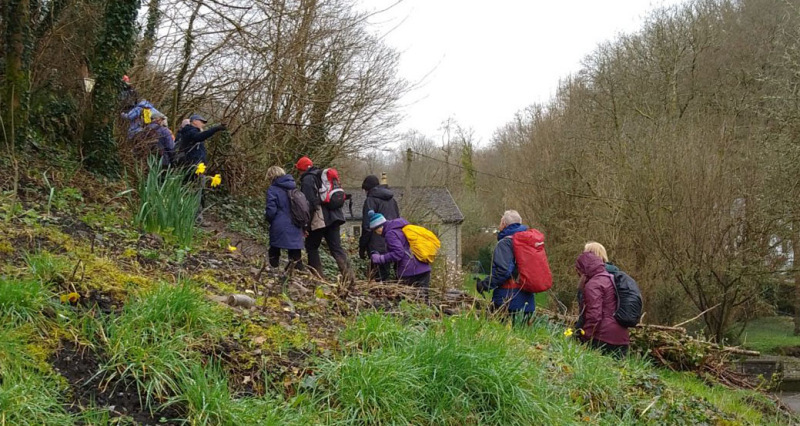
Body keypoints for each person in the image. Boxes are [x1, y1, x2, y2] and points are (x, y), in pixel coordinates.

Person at [296, 156, 353, 281]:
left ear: (302, 169)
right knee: (337, 248)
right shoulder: (323, 177)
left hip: (320, 219)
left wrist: (305, 225)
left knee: (311, 246)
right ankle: (349, 278)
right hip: (336, 217)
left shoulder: (307, 179)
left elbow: (309, 204)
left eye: (299, 170)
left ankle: (317, 278)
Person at [476, 210, 536, 321]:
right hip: (528, 299)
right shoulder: (528, 241)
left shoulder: (505, 243)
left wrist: (484, 284)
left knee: (496, 333)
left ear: (504, 224)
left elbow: (503, 271)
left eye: (500, 223)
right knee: (521, 336)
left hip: (508, 299)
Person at [575, 250, 630, 358]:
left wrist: (585, 336)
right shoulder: (611, 278)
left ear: (583, 269)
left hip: (604, 338)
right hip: (622, 338)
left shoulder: (593, 285)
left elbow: (594, 315)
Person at [368, 211, 431, 293]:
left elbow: (398, 253)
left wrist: (380, 258)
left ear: (379, 228)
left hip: (410, 271)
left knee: (408, 301)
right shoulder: (401, 227)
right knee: (424, 300)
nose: (376, 233)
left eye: (375, 230)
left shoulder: (390, 234)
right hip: (423, 266)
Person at [358, 175, 400, 281]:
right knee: (389, 274)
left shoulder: (370, 200)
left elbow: (367, 226)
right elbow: (397, 219)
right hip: (393, 240)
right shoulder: (392, 200)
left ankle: (379, 294)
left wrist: (362, 246)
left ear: (367, 189)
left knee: (377, 276)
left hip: (376, 244)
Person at [265, 166, 304, 271]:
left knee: (274, 248)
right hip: (296, 222)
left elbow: (271, 209)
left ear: (271, 176)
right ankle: (297, 274)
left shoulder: (273, 189)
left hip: (279, 223)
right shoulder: (294, 188)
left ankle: (274, 270)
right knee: (295, 251)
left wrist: (269, 219)